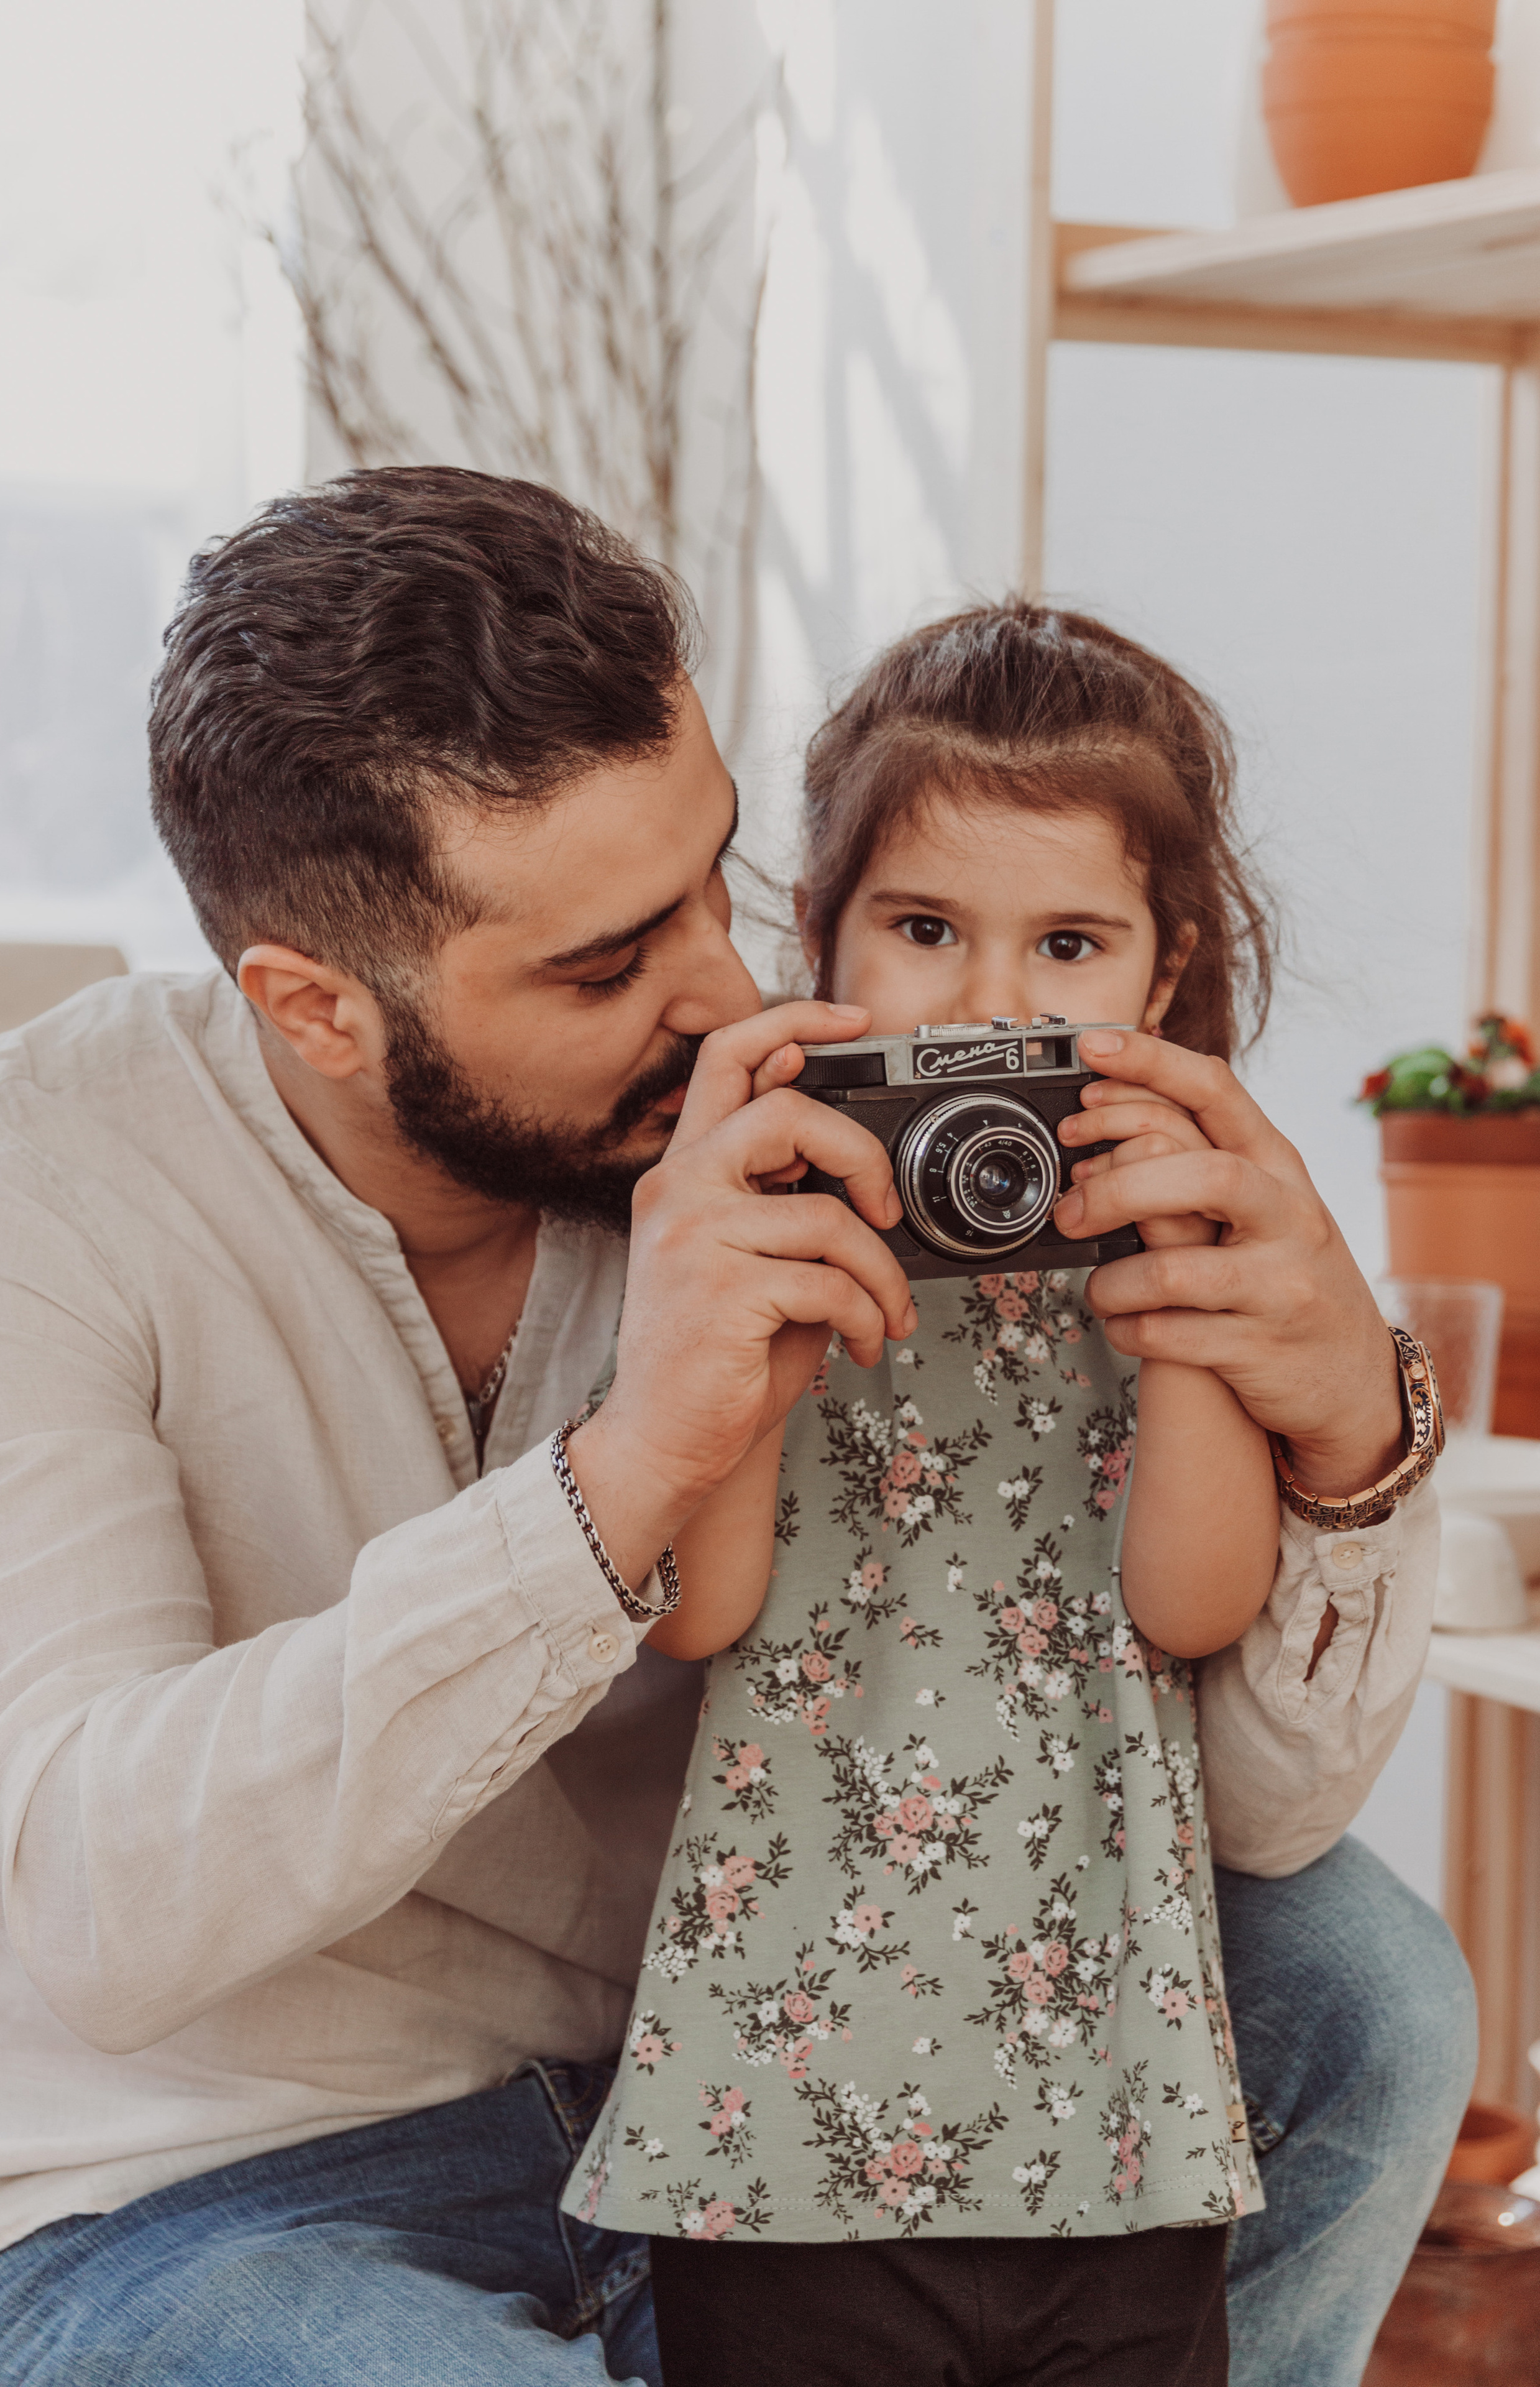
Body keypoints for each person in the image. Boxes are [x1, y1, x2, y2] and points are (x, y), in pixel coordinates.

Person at [0, 469, 1470, 2387]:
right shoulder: (21, 1191)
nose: (729, 992)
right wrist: (626, 1473)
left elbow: (1254, 1810)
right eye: (606, 963)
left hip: (730, 2066)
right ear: (316, 1009)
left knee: (1367, 1997)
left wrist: (1351, 1437)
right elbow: (97, 1903)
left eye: (716, 882)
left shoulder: (834, 1156)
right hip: (210, 2184)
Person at [561, 602, 1448, 2387]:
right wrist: (753, 1329)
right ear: (819, 941)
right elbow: (696, 1610)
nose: (989, 1005)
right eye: (923, 930)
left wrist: (1179, 1303)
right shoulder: (761, 1238)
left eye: (1067, 944)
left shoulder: (1188, 1265)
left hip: (1109, 2111)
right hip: (783, 2115)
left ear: (1160, 979)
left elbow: (1191, 1605)